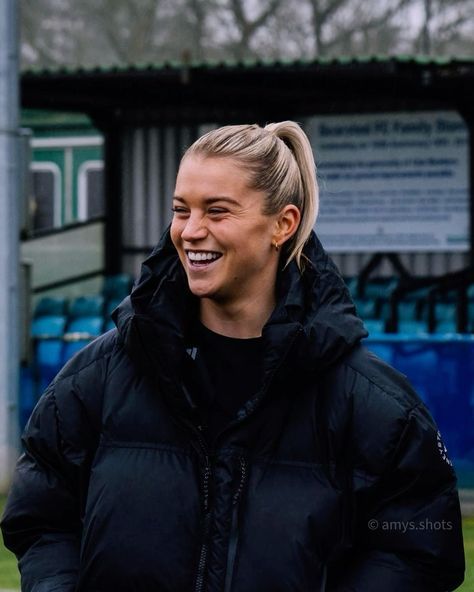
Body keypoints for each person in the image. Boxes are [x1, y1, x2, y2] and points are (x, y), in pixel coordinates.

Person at [1, 121, 465, 591]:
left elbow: (419, 550)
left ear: (283, 224)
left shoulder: (374, 406)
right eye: (181, 210)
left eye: (217, 211)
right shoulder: (97, 378)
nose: (191, 231)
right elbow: (41, 517)